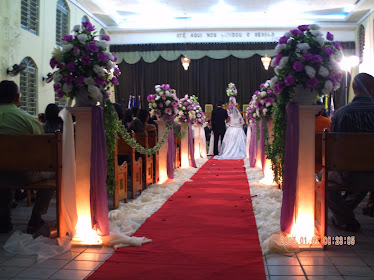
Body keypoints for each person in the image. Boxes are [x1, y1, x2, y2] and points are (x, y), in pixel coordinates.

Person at [0, 80, 52, 235]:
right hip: (22, 176)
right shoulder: (29, 120)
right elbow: (43, 151)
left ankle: (3, 220)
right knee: (55, 172)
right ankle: (36, 218)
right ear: (17, 97)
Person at [328, 72, 374, 232]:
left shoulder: (341, 114)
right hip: (372, 173)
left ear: (354, 89)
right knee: (365, 177)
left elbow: (331, 150)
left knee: (322, 180)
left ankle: (345, 217)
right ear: (372, 89)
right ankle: (345, 215)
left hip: (348, 174)